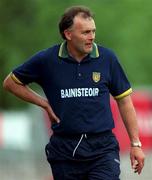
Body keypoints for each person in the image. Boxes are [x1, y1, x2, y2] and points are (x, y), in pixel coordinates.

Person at [3, 5, 145, 180]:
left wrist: (135, 144)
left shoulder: (107, 58)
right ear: (68, 34)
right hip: (64, 150)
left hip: (102, 148)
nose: (92, 37)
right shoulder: (46, 60)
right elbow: (11, 83)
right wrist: (43, 103)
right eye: (85, 32)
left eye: (93, 31)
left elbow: (124, 101)